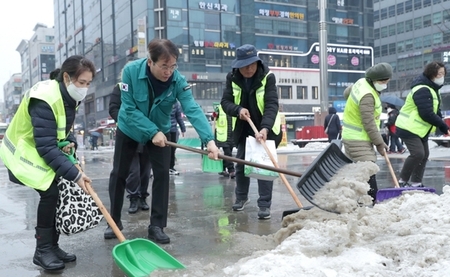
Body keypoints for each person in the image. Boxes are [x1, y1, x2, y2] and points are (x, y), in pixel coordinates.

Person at [106, 38, 220, 244]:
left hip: (160, 130)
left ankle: (156, 226)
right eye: (164, 66)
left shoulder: (177, 80)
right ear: (150, 62)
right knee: (119, 174)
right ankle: (113, 221)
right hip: (130, 128)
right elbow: (128, 108)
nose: (169, 71)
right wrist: (151, 132)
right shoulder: (130, 72)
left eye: (173, 66)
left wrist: (209, 140)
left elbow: (191, 108)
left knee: (161, 176)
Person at [0, 55, 95, 271]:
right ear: (66, 78)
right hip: (21, 151)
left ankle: (52, 246)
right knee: (50, 192)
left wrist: (70, 141)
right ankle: (42, 251)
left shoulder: (70, 98)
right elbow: (46, 147)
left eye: (88, 84)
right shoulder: (45, 98)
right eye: (82, 83)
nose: (85, 88)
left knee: (56, 192)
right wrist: (76, 175)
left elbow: (64, 130)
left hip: (39, 149)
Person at [221, 44, 282, 220]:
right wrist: (238, 109)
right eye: (244, 65)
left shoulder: (267, 77)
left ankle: (264, 205)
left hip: (266, 128)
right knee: (240, 164)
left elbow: (271, 104)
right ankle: (241, 197)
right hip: (244, 127)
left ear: (257, 62)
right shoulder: (232, 77)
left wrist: (264, 128)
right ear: (238, 65)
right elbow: (225, 102)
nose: (248, 69)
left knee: (264, 167)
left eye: (252, 64)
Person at [341, 62, 392, 204]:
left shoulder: (361, 83)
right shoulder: (368, 95)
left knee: (360, 171)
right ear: (374, 79)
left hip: (353, 136)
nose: (385, 84)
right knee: (369, 169)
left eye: (387, 81)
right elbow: (368, 122)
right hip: (358, 138)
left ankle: (357, 200)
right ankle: (371, 202)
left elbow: (346, 93)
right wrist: (380, 143)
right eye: (383, 81)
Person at [396, 61, 450, 187]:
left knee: (424, 155)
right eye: (439, 74)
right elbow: (426, 113)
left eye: (443, 74)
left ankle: (416, 182)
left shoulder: (433, 90)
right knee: (418, 154)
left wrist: (442, 126)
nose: (442, 76)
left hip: (420, 129)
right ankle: (401, 182)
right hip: (407, 127)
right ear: (431, 74)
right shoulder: (422, 89)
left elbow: (436, 111)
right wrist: (443, 126)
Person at [108, 67, 151, 217]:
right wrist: (126, 121)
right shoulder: (120, 87)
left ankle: (143, 197)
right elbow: (113, 108)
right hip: (128, 134)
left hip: (145, 134)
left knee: (145, 170)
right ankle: (133, 197)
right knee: (133, 171)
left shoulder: (146, 87)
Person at [213, 104, 236, 178]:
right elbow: (213, 118)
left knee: (228, 153)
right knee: (228, 153)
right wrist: (214, 115)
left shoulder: (234, 107)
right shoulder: (219, 108)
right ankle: (231, 170)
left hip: (232, 134)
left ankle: (222, 169)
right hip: (222, 135)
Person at [169, 101, 186, 175]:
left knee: (172, 150)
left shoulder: (175, 103)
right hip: (161, 130)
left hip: (172, 130)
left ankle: (170, 167)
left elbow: (179, 117)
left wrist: (183, 129)